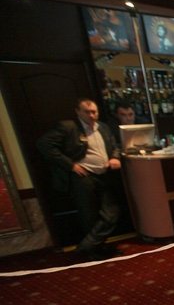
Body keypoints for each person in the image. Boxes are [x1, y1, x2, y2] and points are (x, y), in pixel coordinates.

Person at [36, 98, 124, 261]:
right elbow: (43, 144)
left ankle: (87, 246)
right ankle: (95, 248)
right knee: (89, 215)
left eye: (94, 112)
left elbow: (114, 146)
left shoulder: (103, 127)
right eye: (87, 112)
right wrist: (70, 165)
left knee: (111, 212)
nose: (91, 115)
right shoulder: (69, 127)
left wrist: (114, 157)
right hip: (83, 177)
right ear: (78, 112)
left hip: (104, 175)